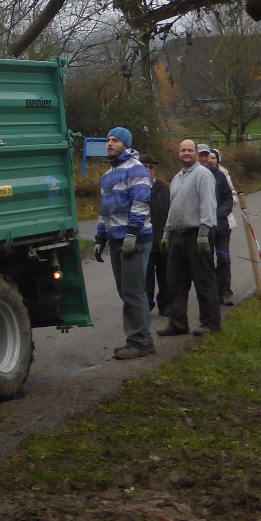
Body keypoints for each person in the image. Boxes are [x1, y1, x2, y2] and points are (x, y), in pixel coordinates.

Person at [93, 126, 157, 360]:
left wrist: (132, 234)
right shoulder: (107, 175)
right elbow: (105, 210)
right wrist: (100, 238)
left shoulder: (136, 169)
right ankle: (139, 338)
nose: (110, 144)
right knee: (124, 290)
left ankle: (140, 342)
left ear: (126, 145)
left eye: (115, 140)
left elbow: (140, 203)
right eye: (108, 140)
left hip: (135, 240)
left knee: (133, 291)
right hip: (115, 239)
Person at [158, 138, 220, 336]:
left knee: (204, 280)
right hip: (178, 235)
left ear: (196, 154)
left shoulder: (203, 175)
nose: (186, 153)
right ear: (179, 153)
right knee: (175, 281)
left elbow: (208, 203)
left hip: (197, 234)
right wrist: (167, 233)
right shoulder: (177, 178)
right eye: (183, 150)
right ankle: (178, 323)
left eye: (189, 150)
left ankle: (210, 323)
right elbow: (173, 208)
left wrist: (204, 232)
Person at [202, 146, 238, 305]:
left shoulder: (220, 175)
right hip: (203, 229)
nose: (206, 159)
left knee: (223, 259)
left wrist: (218, 215)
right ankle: (211, 294)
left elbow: (228, 198)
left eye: (208, 156)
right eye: (202, 155)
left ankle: (225, 292)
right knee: (206, 261)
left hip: (221, 226)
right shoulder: (193, 176)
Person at [143, 154, 171, 317]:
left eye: (151, 167)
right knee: (146, 277)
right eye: (144, 167)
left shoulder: (163, 188)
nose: (148, 170)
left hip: (162, 239)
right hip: (144, 240)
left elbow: (171, 211)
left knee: (165, 275)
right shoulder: (135, 188)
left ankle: (165, 304)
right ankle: (146, 304)